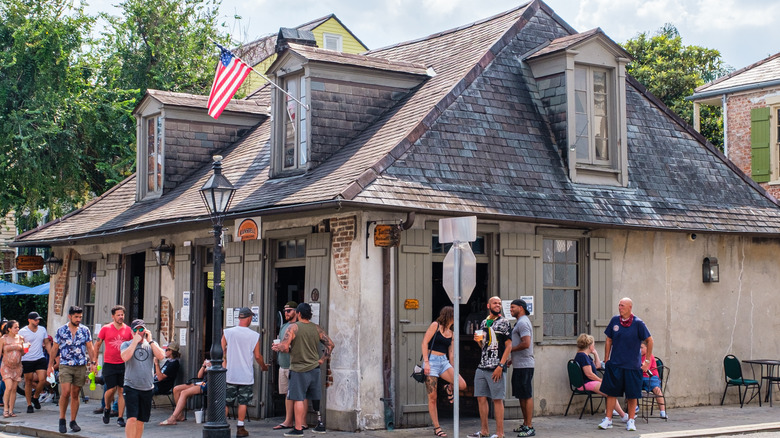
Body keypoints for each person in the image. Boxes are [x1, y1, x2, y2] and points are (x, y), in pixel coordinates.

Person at [272, 302, 334, 437]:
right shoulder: (316, 329)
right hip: (315, 368)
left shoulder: (293, 328)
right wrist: (322, 360)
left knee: (298, 398)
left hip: (298, 369)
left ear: (298, 313)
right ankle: (319, 425)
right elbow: (330, 344)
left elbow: (285, 346)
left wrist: (278, 347)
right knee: (315, 396)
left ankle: (298, 428)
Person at [598, 298, 652, 432]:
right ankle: (608, 420)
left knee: (632, 395)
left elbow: (650, 341)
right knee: (611, 393)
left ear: (629, 307)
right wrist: (606, 359)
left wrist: (647, 361)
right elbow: (609, 340)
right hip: (615, 364)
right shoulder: (615, 321)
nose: (619, 307)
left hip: (632, 366)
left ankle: (631, 421)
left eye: (622, 305)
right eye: (619, 305)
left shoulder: (638, 323)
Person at [467, 296, 512, 438]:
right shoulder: (484, 322)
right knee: (480, 398)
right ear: (488, 305)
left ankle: (500, 434)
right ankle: (484, 431)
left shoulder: (504, 322)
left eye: (499, 303)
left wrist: (501, 365)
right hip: (482, 365)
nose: (498, 305)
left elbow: (509, 345)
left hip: (496, 366)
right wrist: (478, 342)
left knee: (497, 399)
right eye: (495, 303)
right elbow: (484, 347)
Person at [49, 305, 98, 433]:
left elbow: (90, 347)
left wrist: (93, 362)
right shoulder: (61, 330)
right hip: (65, 364)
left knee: (75, 394)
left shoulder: (85, 330)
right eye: (76, 317)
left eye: (80, 317)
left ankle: (73, 421)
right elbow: (54, 348)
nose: (78, 319)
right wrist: (50, 365)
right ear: (69, 316)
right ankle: (62, 419)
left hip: (80, 365)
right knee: (65, 392)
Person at [221, 307, 269, 437]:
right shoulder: (254, 335)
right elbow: (257, 356)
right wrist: (264, 366)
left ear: (239, 318)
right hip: (245, 375)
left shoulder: (228, 332)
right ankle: (240, 428)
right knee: (243, 402)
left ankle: (222, 425)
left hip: (230, 373)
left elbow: (222, 349)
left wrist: (225, 359)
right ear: (249, 318)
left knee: (226, 401)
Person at [421, 306, 466, 438]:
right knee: (432, 398)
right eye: (455, 316)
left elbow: (451, 354)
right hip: (432, 361)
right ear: (449, 316)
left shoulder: (452, 333)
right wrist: (426, 363)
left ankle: (448, 387)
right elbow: (424, 343)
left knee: (461, 384)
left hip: (444, 362)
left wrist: (453, 369)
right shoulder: (435, 325)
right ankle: (437, 427)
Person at [120, 319, 164, 438]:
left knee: (141, 420)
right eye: (136, 329)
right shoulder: (126, 344)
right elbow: (125, 357)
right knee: (132, 418)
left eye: (141, 329)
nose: (139, 332)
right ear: (132, 331)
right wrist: (134, 342)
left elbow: (161, 356)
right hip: (131, 386)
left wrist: (150, 341)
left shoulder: (151, 345)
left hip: (147, 387)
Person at [573, 334, 628, 421]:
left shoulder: (585, 355)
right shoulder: (583, 357)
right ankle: (623, 415)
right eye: (593, 344)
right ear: (590, 345)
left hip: (588, 382)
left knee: (611, 389)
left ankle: (612, 409)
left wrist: (595, 353)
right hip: (586, 383)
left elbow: (598, 366)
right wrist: (601, 380)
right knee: (610, 392)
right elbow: (589, 374)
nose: (594, 346)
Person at [272, 301, 308, 431]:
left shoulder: (298, 327)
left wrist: (285, 347)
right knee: (287, 394)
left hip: (296, 365)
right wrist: (278, 347)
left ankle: (303, 422)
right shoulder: (284, 326)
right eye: (285, 310)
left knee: (300, 394)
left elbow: (300, 346)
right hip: (283, 364)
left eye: (289, 310)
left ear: (296, 312)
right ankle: (288, 421)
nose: (286, 313)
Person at [95, 305, 133, 427]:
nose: (121, 317)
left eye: (122, 315)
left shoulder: (128, 330)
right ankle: (107, 407)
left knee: (122, 391)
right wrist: (94, 361)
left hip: (123, 364)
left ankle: (120, 417)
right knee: (110, 389)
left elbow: (133, 345)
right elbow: (97, 344)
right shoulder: (106, 329)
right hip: (110, 363)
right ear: (113, 316)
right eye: (118, 315)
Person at [510, 299, 535, 437]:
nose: (510, 309)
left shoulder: (523, 322)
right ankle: (525, 424)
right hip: (519, 364)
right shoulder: (520, 322)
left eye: (513, 307)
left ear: (521, 307)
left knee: (526, 394)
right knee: (521, 395)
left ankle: (530, 426)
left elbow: (526, 343)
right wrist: (511, 359)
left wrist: (511, 349)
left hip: (525, 365)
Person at [159, 358, 209, 425]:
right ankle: (180, 415)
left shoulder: (219, 363)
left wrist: (211, 366)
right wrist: (204, 365)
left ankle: (173, 418)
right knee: (176, 389)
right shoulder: (210, 363)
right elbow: (199, 376)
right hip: (201, 383)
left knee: (184, 392)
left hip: (207, 385)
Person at [20, 311, 52, 414]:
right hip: (27, 359)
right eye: (35, 319)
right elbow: (20, 345)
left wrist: (51, 354)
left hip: (39, 357)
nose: (37, 321)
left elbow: (46, 342)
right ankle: (29, 404)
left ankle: (36, 396)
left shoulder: (42, 329)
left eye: (38, 319)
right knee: (28, 381)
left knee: (42, 379)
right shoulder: (23, 331)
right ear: (29, 320)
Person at [0, 320, 24, 417]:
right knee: (9, 387)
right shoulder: (3, 339)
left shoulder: (21, 338)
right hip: (6, 366)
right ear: (9, 329)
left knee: (14, 389)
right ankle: (5, 409)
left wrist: (26, 349)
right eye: (15, 327)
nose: (17, 329)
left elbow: (22, 353)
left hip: (17, 367)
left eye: (18, 327)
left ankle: (11, 410)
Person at [640, 340, 667, 419]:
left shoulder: (649, 356)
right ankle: (634, 408)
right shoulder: (636, 356)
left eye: (641, 347)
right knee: (631, 387)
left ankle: (662, 412)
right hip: (640, 378)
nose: (639, 349)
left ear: (647, 348)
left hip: (651, 377)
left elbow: (645, 368)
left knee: (657, 390)